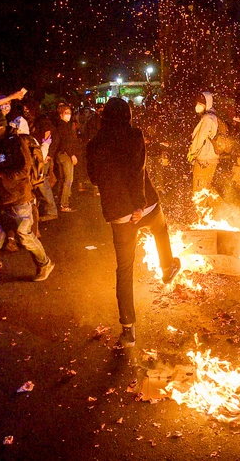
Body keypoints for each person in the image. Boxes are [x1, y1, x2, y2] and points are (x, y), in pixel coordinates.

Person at [86, 98, 181, 347]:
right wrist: (138, 204)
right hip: (144, 205)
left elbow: (94, 178)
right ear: (127, 115)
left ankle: (128, 330)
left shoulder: (94, 144)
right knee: (160, 228)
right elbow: (137, 170)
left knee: (124, 270)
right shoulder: (134, 135)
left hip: (118, 213)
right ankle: (168, 266)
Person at [0, 108, 53, 301]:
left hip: (17, 200)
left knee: (24, 237)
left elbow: (23, 172)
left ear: (2, 126)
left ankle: (44, 263)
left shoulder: (16, 143)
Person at [186, 91, 220, 194]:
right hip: (210, 157)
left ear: (207, 103)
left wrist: (192, 152)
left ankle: (202, 208)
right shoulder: (213, 116)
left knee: (199, 188)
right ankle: (211, 207)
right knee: (206, 186)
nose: (198, 106)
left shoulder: (207, 118)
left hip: (204, 158)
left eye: (201, 104)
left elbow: (200, 138)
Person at [50, 103, 79, 213]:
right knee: (68, 179)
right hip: (65, 155)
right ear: (61, 115)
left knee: (63, 179)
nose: (69, 115)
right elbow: (66, 142)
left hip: (60, 154)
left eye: (69, 113)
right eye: (66, 113)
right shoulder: (63, 126)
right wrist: (72, 155)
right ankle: (64, 204)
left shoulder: (60, 125)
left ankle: (59, 200)